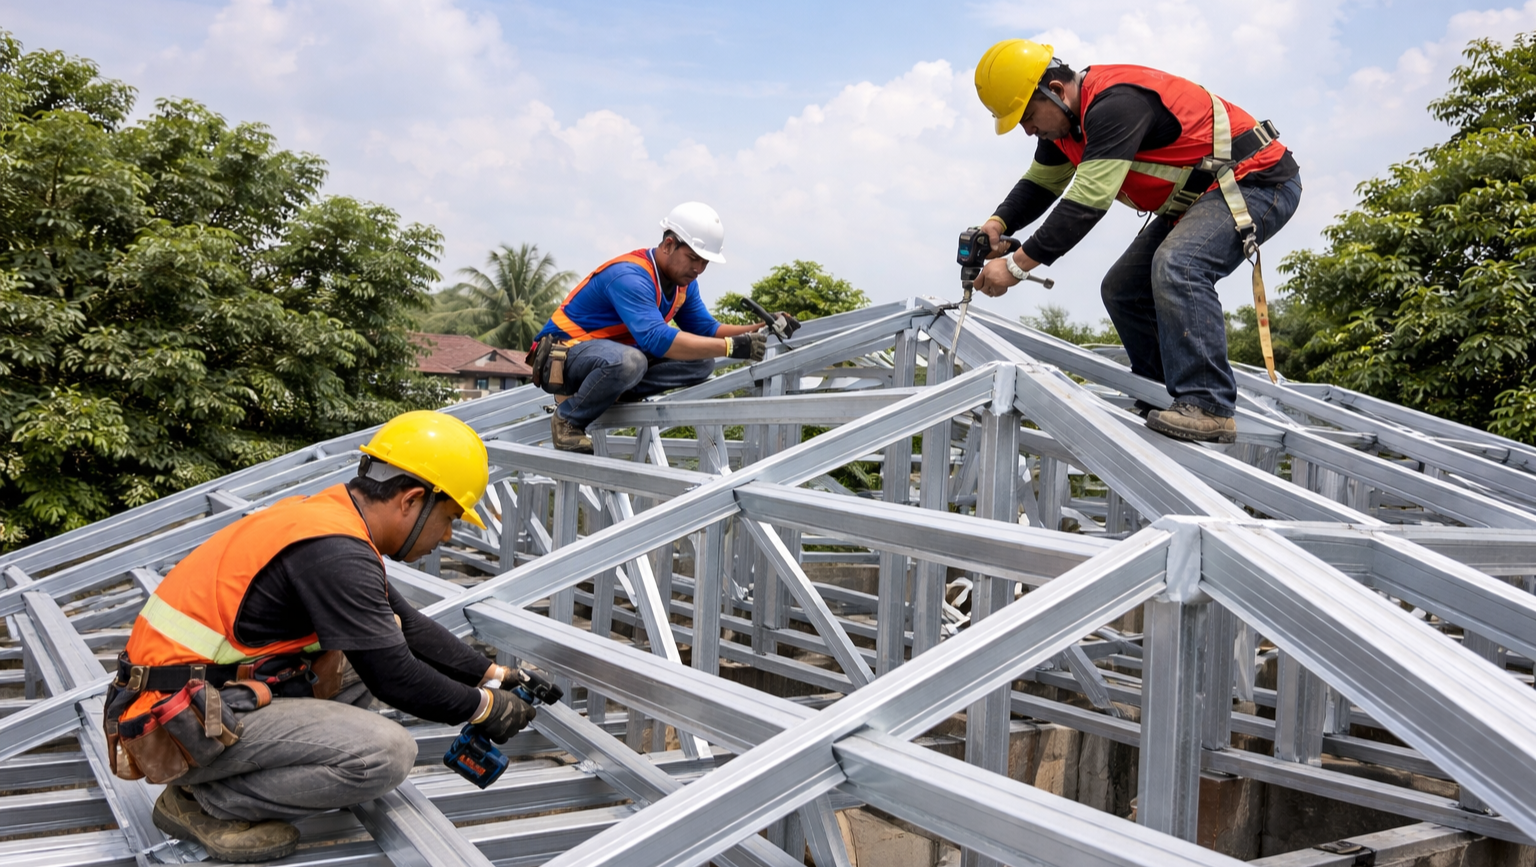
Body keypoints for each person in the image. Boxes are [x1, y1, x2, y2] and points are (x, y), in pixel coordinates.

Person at [104, 411, 535, 862]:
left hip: (194, 696)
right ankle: (203, 802)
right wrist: (484, 708)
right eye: (448, 518)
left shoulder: (328, 520)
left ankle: (282, 772)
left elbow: (406, 624)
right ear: (410, 500)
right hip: (172, 722)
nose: (446, 535)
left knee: (370, 644)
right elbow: (396, 679)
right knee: (387, 753)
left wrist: (495, 675)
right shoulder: (335, 552)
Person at [970, 39, 1303, 444]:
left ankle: (1209, 405)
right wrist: (997, 222)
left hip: (1257, 182)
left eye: (1026, 116)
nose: (1027, 130)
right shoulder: (1063, 127)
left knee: (1179, 265)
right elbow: (1041, 184)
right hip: (1200, 198)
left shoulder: (1115, 105)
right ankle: (1161, 393)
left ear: (1055, 92)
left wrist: (1016, 266)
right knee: (1124, 289)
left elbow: (1086, 202)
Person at [528, 202, 800, 453]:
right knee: (629, 361)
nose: (699, 268)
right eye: (693, 258)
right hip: (565, 358)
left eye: (704, 262)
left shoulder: (684, 285)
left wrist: (763, 326)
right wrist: (730, 347)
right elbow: (656, 339)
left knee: (702, 361)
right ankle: (568, 419)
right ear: (669, 244)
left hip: (610, 362)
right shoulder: (630, 276)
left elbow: (706, 329)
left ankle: (614, 392)